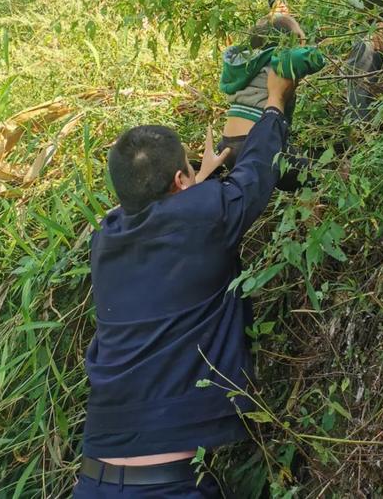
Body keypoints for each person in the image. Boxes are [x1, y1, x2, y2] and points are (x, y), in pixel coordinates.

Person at [73, 70, 296, 498]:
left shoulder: (106, 240)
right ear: (180, 181)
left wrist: (201, 183)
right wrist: (274, 103)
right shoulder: (202, 215)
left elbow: (171, 229)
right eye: (188, 173)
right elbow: (256, 172)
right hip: (165, 489)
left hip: (93, 481)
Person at [217, 0, 324, 189]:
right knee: (309, 174)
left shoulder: (245, 64)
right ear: (286, 45)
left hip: (228, 144)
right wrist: (314, 50)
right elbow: (312, 59)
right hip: (255, 143)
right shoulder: (278, 61)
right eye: (300, 40)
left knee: (282, 173)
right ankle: (314, 205)